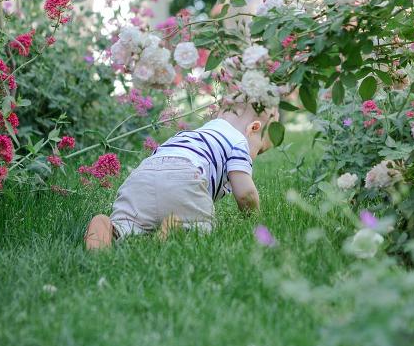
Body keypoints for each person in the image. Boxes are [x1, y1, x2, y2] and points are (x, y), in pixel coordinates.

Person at [83, 102, 278, 248]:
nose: (255, 156)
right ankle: (176, 227)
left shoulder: (187, 136)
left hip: (142, 176)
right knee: (199, 235)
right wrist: (254, 220)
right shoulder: (239, 141)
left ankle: (108, 229)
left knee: (129, 225)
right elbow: (245, 194)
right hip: (184, 177)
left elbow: (160, 166)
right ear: (253, 128)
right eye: (260, 150)